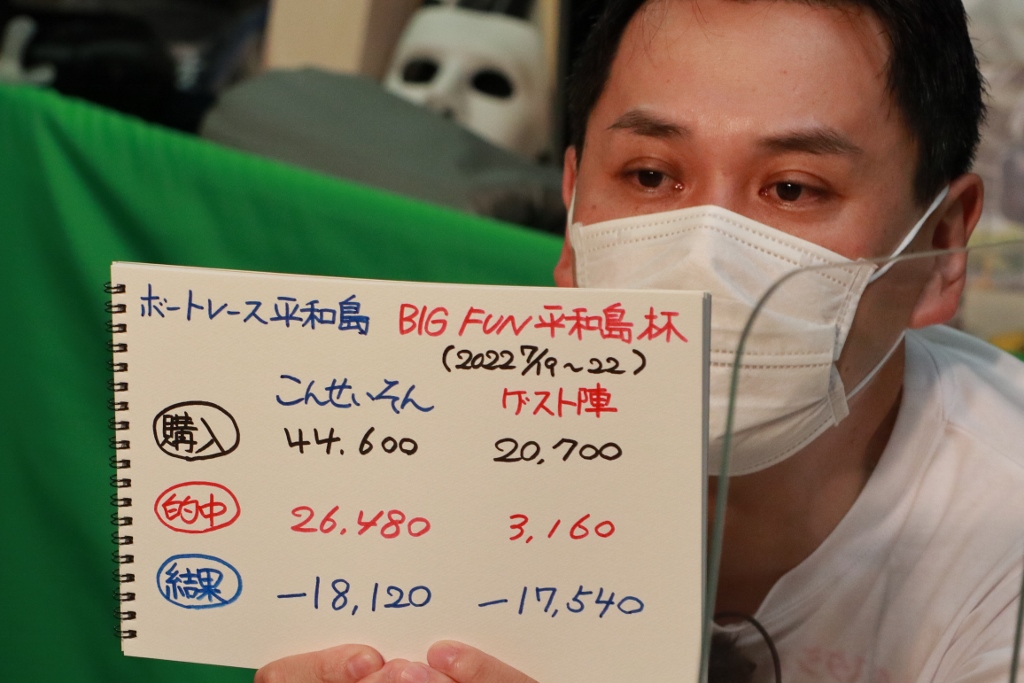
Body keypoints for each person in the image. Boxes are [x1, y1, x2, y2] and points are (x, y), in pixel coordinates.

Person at [255, 0, 1024, 681]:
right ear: (572, 219)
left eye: (793, 188)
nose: (703, 256)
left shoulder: (1001, 541)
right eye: (651, 176)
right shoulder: (417, 459)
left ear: (943, 247)